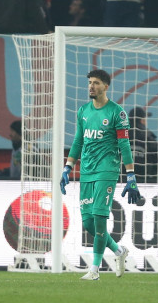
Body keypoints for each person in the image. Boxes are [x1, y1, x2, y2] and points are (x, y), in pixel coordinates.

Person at [59, 69, 139, 280]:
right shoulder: (83, 111)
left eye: (95, 83)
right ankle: (119, 251)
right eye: (89, 83)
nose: (91, 86)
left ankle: (94, 270)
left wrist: (130, 175)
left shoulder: (117, 113)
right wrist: (68, 167)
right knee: (88, 223)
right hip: (86, 171)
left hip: (107, 170)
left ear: (106, 86)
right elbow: (78, 141)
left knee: (99, 218)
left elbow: (124, 145)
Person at [128, 107, 158, 184]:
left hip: (121, 180)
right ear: (142, 120)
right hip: (144, 180)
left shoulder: (119, 136)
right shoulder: (148, 136)